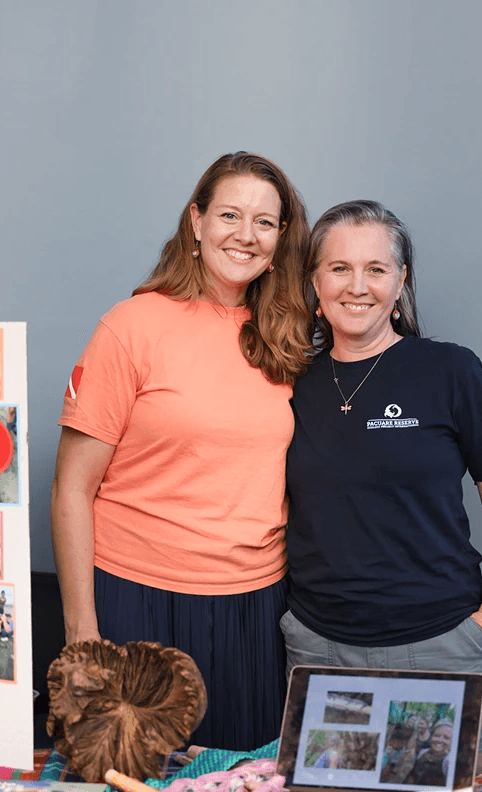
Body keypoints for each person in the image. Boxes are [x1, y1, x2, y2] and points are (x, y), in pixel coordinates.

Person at [51, 151, 311, 751]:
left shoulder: (288, 339)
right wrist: (81, 633)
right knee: (133, 777)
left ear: (281, 236)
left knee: (240, 774)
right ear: (195, 222)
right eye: (229, 215)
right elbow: (71, 488)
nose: (246, 236)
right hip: (137, 601)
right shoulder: (132, 325)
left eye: (265, 222)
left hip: (255, 607)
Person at [282, 200, 482, 756]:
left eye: (376, 269)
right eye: (339, 268)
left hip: (439, 646)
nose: (357, 286)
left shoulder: (449, 370)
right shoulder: (291, 381)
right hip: (320, 648)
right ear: (315, 281)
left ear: (401, 281)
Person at [405, 720, 453, 787]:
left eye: (446, 738)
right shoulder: (423, 752)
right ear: (431, 736)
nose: (439, 740)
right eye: (437, 735)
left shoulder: (448, 762)